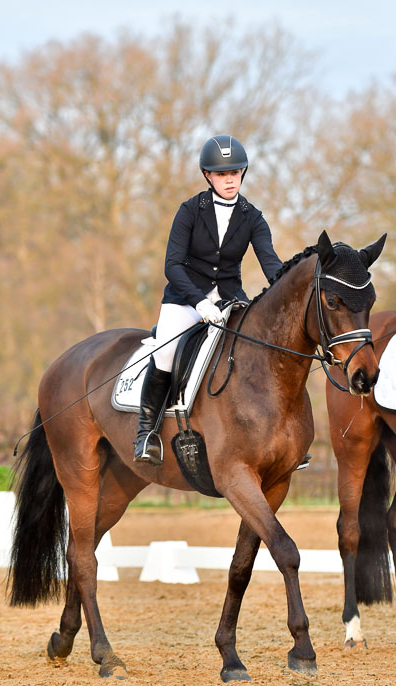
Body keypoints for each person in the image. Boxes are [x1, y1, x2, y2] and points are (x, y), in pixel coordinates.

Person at [134, 134, 282, 465]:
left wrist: (287, 285)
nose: (229, 180)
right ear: (208, 176)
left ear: (242, 173)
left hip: (231, 298)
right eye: (221, 174)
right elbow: (172, 265)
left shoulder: (253, 217)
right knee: (167, 352)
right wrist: (199, 302)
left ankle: (278, 433)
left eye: (234, 173)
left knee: (262, 350)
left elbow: (269, 261)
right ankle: (147, 434)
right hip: (185, 298)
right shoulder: (189, 211)